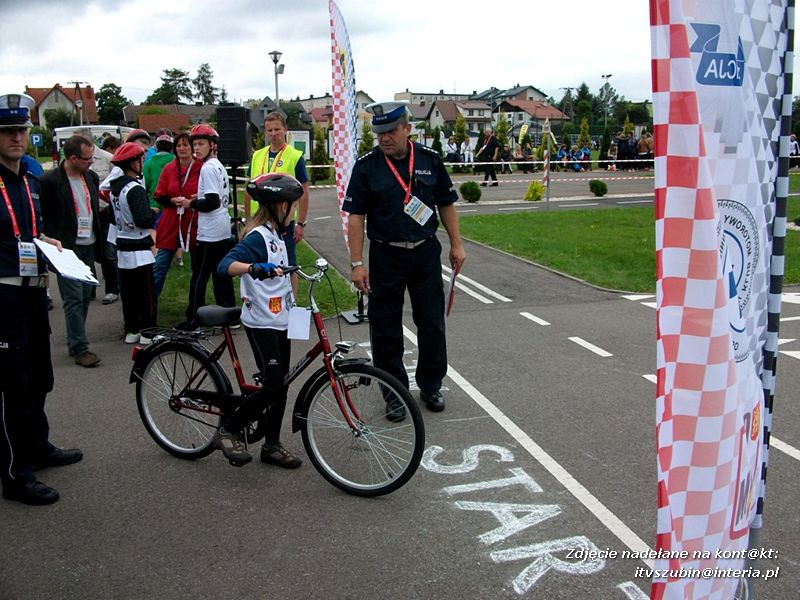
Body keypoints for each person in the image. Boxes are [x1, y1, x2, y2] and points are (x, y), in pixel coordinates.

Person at [343, 101, 466, 413]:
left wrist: (457, 245)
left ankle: (431, 385)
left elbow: (446, 204)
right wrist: (357, 264)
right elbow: (355, 217)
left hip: (425, 254)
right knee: (385, 328)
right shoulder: (367, 166)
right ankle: (394, 393)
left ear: (407, 129)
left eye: (391, 131)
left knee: (431, 323)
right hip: (386, 255)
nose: (384, 138)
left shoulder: (429, 161)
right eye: (379, 132)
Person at [0, 92, 83, 506]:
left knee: (38, 379)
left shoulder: (29, 181)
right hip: (4, 298)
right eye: (8, 132)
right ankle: (15, 474)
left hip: (34, 296)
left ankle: (37, 447)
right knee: (12, 388)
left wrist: (45, 242)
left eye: (21, 130)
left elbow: (26, 233)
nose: (17, 138)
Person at [214, 173, 305, 467]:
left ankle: (272, 446)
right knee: (273, 386)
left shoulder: (280, 234)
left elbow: (289, 272)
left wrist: (297, 303)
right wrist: (254, 267)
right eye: (293, 206)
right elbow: (224, 265)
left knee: (282, 384)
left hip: (281, 317)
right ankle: (228, 430)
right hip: (262, 322)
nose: (296, 212)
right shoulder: (259, 236)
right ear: (281, 206)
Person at [40, 135, 104, 367]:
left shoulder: (92, 177)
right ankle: (80, 348)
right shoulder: (48, 181)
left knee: (86, 295)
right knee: (73, 298)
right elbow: (42, 215)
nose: (92, 163)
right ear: (73, 158)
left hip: (89, 243)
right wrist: (48, 242)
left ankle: (75, 339)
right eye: (88, 159)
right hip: (66, 248)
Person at [174, 124, 235, 330]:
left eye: (200, 144)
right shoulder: (218, 165)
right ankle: (229, 315)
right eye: (194, 145)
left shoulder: (207, 168)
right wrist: (198, 198)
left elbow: (211, 202)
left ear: (212, 145)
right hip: (223, 229)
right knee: (221, 275)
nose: (196, 149)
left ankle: (193, 320)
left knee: (199, 277)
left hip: (209, 233)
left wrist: (189, 203)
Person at [245, 112, 309, 295]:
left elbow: (304, 192)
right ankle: (265, 300)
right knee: (261, 262)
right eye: (269, 130)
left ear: (285, 130)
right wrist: (248, 220)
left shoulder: (295, 156)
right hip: (260, 221)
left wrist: (301, 223)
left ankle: (292, 304)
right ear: (265, 132)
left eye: (277, 129)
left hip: (284, 222)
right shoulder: (257, 156)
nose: (273, 134)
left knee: (289, 264)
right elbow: (249, 190)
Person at [107, 142, 158, 344]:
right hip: (139, 248)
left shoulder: (114, 190)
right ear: (132, 163)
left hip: (123, 247)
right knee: (146, 293)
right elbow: (143, 220)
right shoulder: (135, 189)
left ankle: (132, 330)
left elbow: (112, 216)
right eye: (140, 160)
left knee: (129, 295)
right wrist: (153, 212)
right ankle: (149, 332)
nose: (142, 164)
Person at [152, 132, 200, 298]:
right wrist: (172, 201)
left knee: (198, 268)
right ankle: (150, 306)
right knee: (159, 265)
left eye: (186, 145)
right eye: (178, 145)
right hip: (172, 220)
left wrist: (196, 200)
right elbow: (158, 195)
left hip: (193, 222)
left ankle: (194, 308)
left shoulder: (201, 167)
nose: (182, 148)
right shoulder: (169, 169)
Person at [97, 136, 121, 304]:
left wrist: (110, 202)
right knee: (93, 251)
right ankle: (89, 288)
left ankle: (112, 289)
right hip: (86, 214)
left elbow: (110, 185)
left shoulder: (108, 159)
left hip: (105, 212)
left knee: (108, 252)